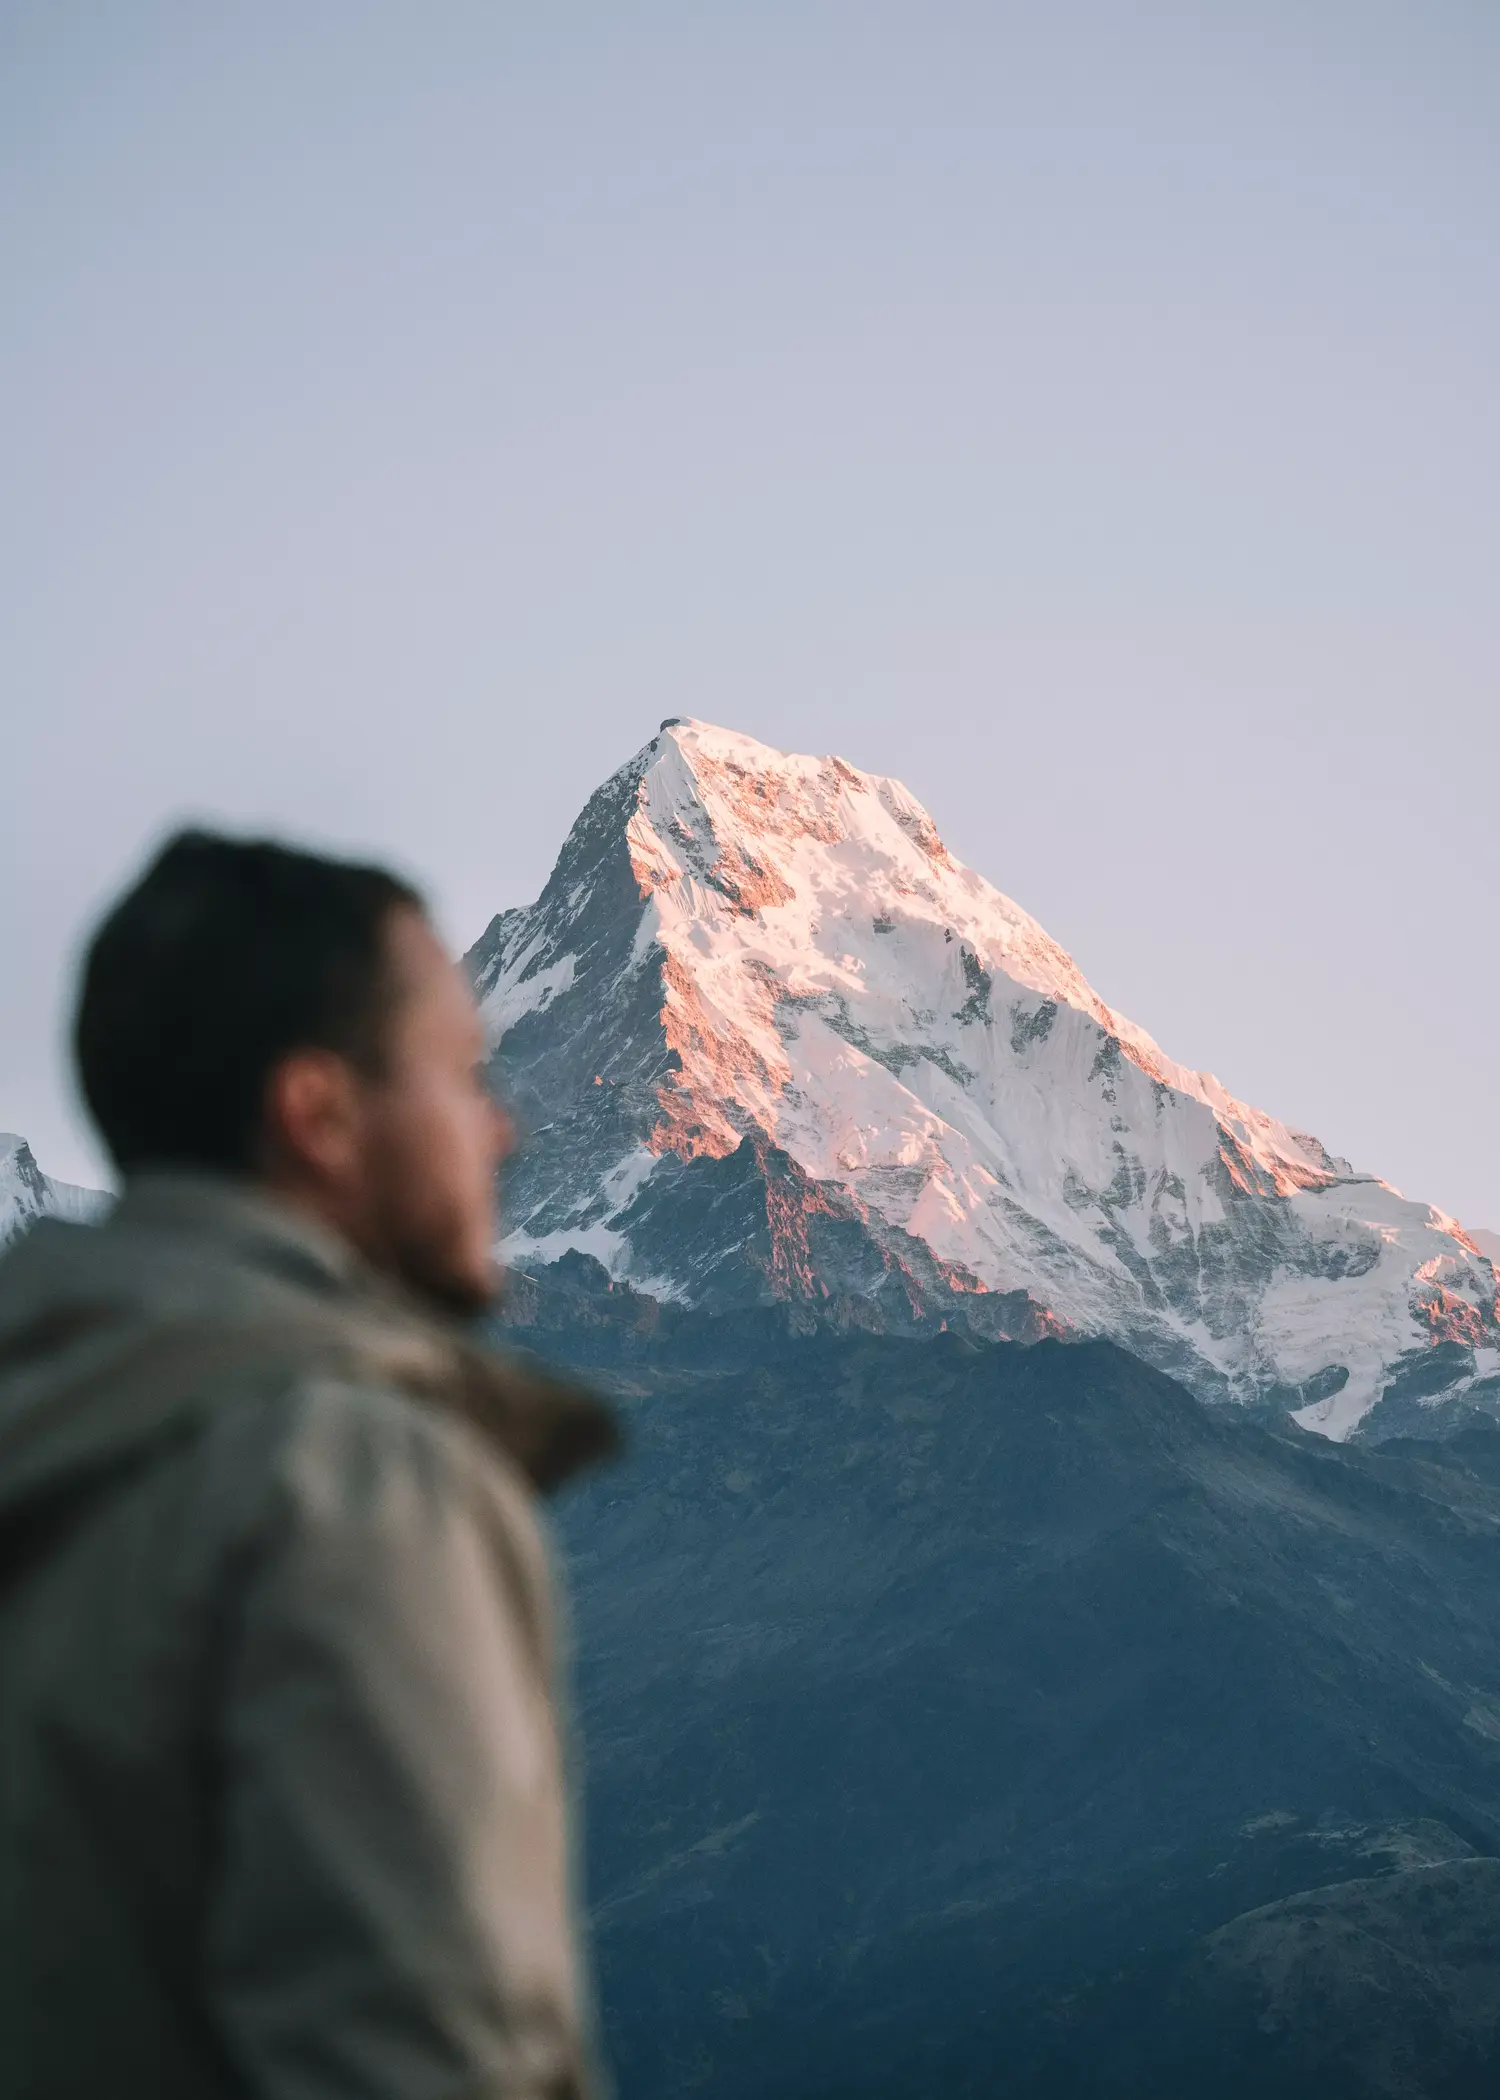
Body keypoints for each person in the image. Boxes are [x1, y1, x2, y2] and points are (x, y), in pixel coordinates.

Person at [0, 831, 618, 2099]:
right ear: (319, 1114)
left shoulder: (52, 1435)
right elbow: (417, 2057)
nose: (498, 1130)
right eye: (463, 1074)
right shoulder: (351, 1476)